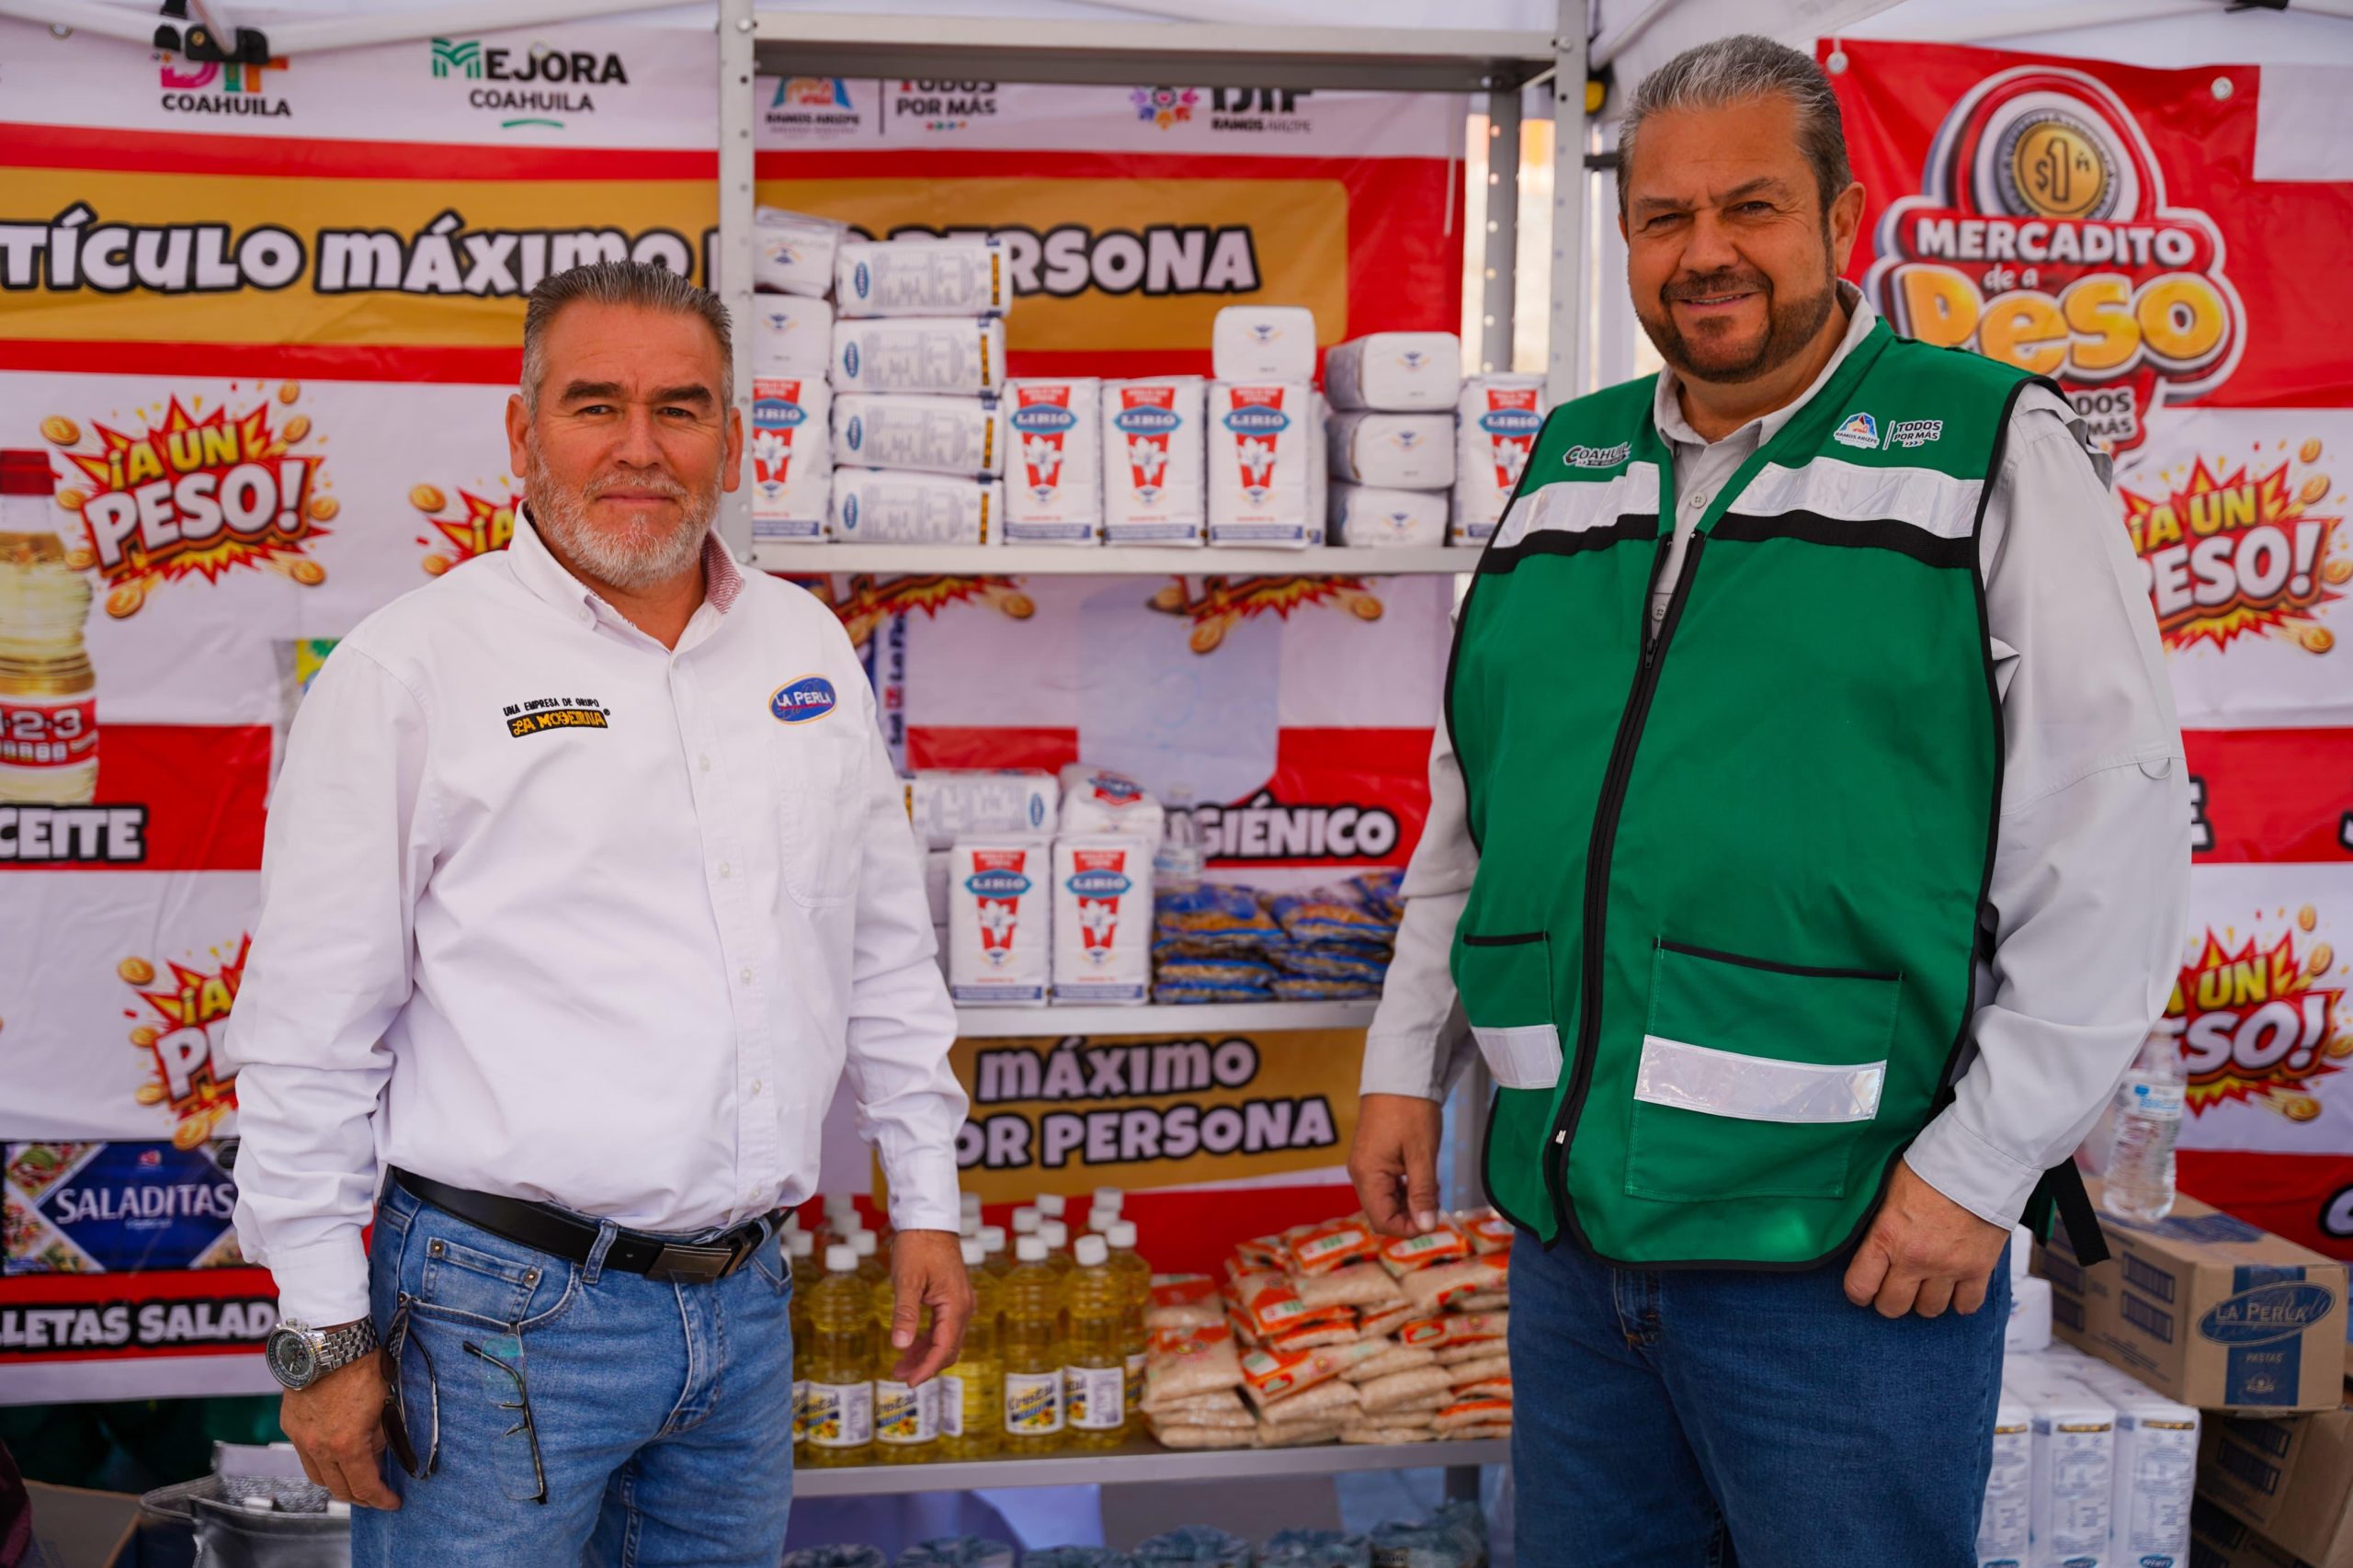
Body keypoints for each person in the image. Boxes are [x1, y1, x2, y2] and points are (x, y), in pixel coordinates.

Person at [1347, 36, 2188, 1566]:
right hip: (1576, 1253)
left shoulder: (1984, 446)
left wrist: (1977, 1171)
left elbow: (2113, 836)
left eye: (1752, 207)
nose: (1706, 252)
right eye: (1665, 217)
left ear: (1840, 217)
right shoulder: (1569, 460)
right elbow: (1479, 797)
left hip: (1848, 1257)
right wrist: (1409, 1057)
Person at [224, 260, 972, 1567]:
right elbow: (307, 1033)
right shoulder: (411, 669)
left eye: (681, 408)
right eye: (595, 406)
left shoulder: (803, 648)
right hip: (494, 1319)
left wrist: (929, 1197)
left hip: (744, 1306)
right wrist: (325, 1331)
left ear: (734, 440)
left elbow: (882, 953)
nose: (641, 447)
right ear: (522, 435)